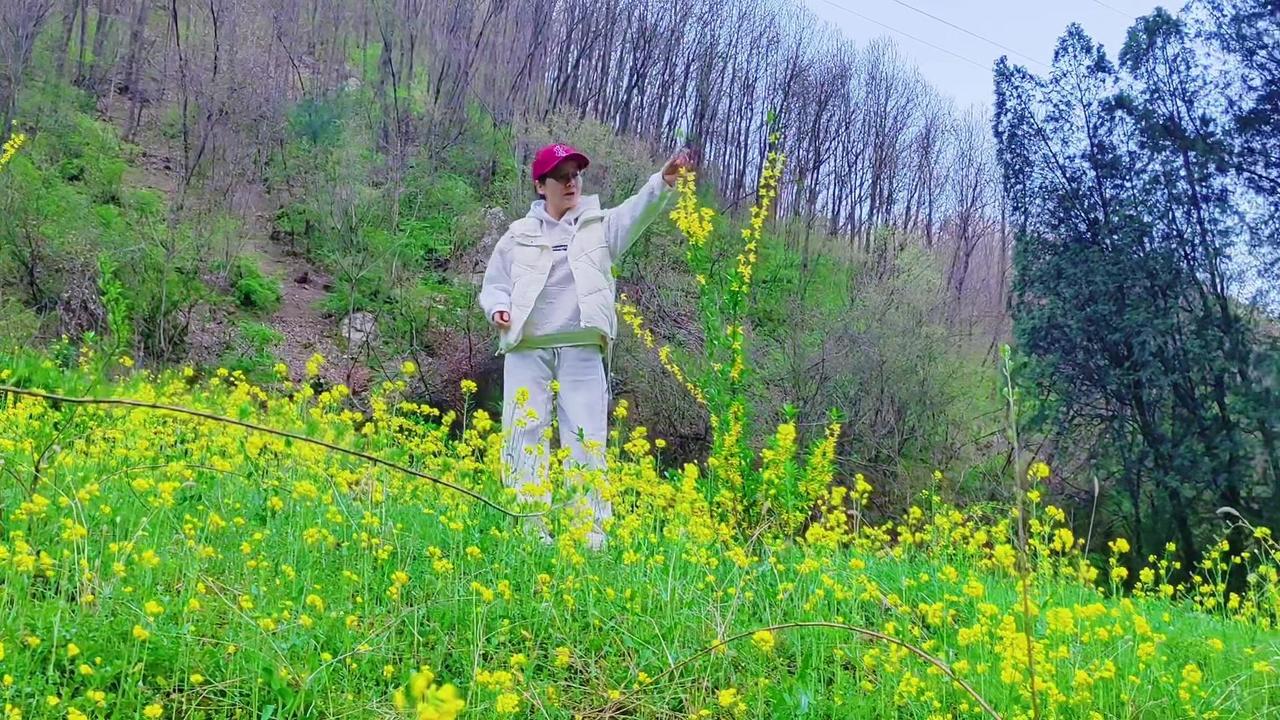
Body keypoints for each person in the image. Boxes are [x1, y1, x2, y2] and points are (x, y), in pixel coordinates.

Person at [479, 142, 694, 550]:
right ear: (541, 185)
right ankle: (529, 529)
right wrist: (499, 309)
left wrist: (663, 182)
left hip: (582, 345)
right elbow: (495, 285)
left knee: (586, 437)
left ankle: (592, 536)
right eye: (561, 177)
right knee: (523, 434)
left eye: (575, 175)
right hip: (528, 346)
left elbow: (637, 211)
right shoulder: (517, 234)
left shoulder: (600, 225)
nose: (571, 183)